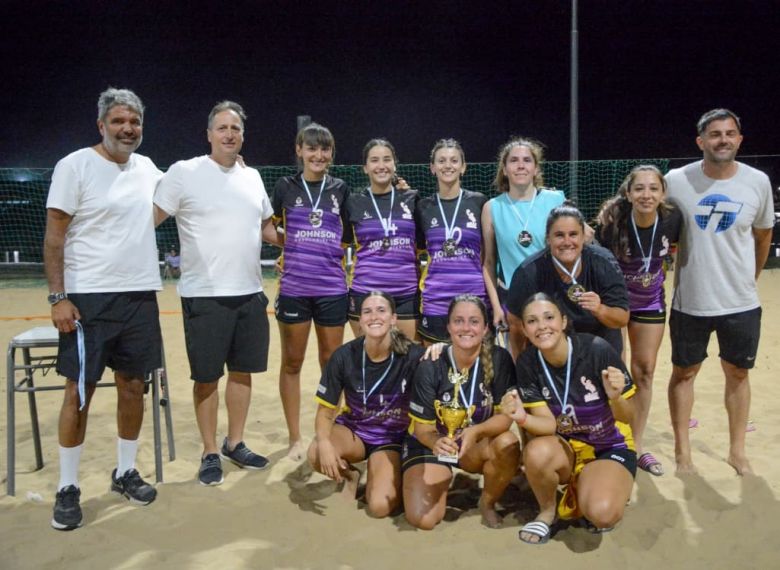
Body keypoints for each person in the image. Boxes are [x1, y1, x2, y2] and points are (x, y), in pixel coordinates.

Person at [44, 87, 162, 530]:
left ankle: (125, 471)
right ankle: (68, 485)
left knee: (133, 387)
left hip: (139, 295)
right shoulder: (74, 166)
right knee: (80, 391)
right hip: (88, 297)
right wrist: (59, 297)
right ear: (101, 125)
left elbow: (184, 192)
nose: (127, 129)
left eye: (134, 122)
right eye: (118, 121)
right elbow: (55, 236)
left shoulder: (149, 169)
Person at [154, 101, 277, 485]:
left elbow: (270, 231)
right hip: (204, 296)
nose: (229, 134)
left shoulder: (252, 177)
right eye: (222, 128)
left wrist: (313, 240)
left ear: (243, 135)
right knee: (206, 377)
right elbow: (149, 218)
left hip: (250, 293)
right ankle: (209, 450)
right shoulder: (185, 173)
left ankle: (234, 442)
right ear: (209, 134)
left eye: (235, 129)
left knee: (242, 374)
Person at [665, 109, 774, 475]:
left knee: (738, 374)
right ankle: (683, 453)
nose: (723, 140)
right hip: (690, 301)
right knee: (684, 373)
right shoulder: (676, 181)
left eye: (730, 133)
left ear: (740, 139)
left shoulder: (756, 182)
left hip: (740, 302)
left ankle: (737, 451)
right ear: (701, 142)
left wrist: (749, 277)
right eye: (714, 134)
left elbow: (763, 235)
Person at [503, 293, 636, 544]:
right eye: (532, 321)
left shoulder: (597, 349)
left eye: (549, 317)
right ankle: (547, 512)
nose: (541, 326)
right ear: (524, 329)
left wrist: (616, 398)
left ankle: (602, 484)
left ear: (563, 321)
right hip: (567, 448)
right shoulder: (528, 362)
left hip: (608, 445)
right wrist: (521, 418)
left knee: (602, 514)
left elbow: (629, 417)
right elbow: (549, 425)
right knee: (536, 452)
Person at [403, 294, 519, 530]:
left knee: (507, 443)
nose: (466, 328)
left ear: (486, 327)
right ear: (448, 326)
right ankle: (417, 477)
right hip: (431, 445)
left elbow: (505, 419)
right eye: (458, 321)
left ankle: (487, 503)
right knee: (423, 520)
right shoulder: (430, 364)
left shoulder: (499, 359)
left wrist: (476, 431)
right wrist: (435, 442)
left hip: (472, 445)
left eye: (474, 321)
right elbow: (423, 429)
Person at [596, 165, 681, 476]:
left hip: (649, 302)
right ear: (629, 193)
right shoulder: (612, 221)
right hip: (615, 303)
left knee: (644, 372)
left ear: (662, 193)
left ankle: (638, 445)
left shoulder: (672, 219)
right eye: (640, 189)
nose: (647, 194)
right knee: (614, 375)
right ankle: (616, 440)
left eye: (653, 188)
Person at [307, 291, 425, 517]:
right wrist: (323, 441)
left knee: (379, 507)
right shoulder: (343, 356)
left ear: (393, 319)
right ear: (359, 320)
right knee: (315, 452)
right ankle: (350, 475)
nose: (374, 317)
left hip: (391, 438)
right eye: (367, 311)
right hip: (355, 432)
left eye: (381, 310)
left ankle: (384, 469)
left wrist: (439, 350)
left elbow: (447, 365)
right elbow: (325, 411)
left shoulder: (413, 355)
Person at [272, 123, 351, 460]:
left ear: (331, 153)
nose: (319, 155)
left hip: (332, 288)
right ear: (299, 150)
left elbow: (347, 236)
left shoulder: (341, 189)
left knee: (331, 363)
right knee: (292, 363)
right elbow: (272, 227)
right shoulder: (285, 187)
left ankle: (330, 433)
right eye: (312, 148)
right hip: (294, 287)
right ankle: (294, 438)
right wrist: (288, 250)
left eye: (325, 149)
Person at [506, 204, 630, 354]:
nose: (567, 242)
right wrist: (522, 366)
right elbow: (515, 325)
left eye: (573, 234)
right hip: (551, 355)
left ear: (583, 236)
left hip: (598, 351)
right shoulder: (528, 272)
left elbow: (622, 318)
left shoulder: (603, 262)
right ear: (548, 238)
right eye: (559, 235)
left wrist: (600, 309)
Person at [482, 137, 565, 347]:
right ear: (504, 168)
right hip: (513, 301)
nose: (520, 165)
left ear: (536, 168)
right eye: (514, 160)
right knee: (520, 367)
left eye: (527, 160)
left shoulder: (555, 201)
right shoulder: (492, 208)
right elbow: (489, 263)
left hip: (551, 296)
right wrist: (497, 307)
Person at [415, 139, 498, 344]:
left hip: (475, 297)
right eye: (441, 161)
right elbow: (417, 252)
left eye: (454, 160)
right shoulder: (423, 207)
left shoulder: (480, 202)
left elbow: (489, 258)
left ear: (463, 167)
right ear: (432, 168)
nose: (448, 165)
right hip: (436, 299)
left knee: (479, 366)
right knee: (436, 366)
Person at [346, 139, 419, 340]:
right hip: (365, 292)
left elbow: (426, 243)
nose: (381, 166)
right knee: (368, 359)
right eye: (374, 160)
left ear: (395, 164)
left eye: (387, 160)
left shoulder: (412, 199)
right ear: (365, 167)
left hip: (406, 294)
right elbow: (335, 241)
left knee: (408, 360)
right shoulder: (353, 202)